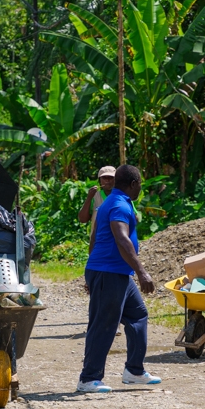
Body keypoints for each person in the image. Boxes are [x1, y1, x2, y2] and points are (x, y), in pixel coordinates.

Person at [77, 164, 161, 393]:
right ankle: (88, 379)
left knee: (138, 315)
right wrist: (142, 272)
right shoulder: (118, 205)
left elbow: (94, 237)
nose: (140, 188)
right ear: (133, 184)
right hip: (109, 271)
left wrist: (91, 271)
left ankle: (134, 371)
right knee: (103, 324)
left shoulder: (111, 203)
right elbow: (122, 239)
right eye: (140, 183)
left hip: (114, 272)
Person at [77, 165, 116, 239]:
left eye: (111, 178)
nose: (107, 180)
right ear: (99, 181)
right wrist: (89, 198)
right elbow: (83, 219)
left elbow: (134, 218)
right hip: (98, 241)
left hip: (116, 242)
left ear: (116, 180)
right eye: (104, 178)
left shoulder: (122, 196)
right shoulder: (94, 196)